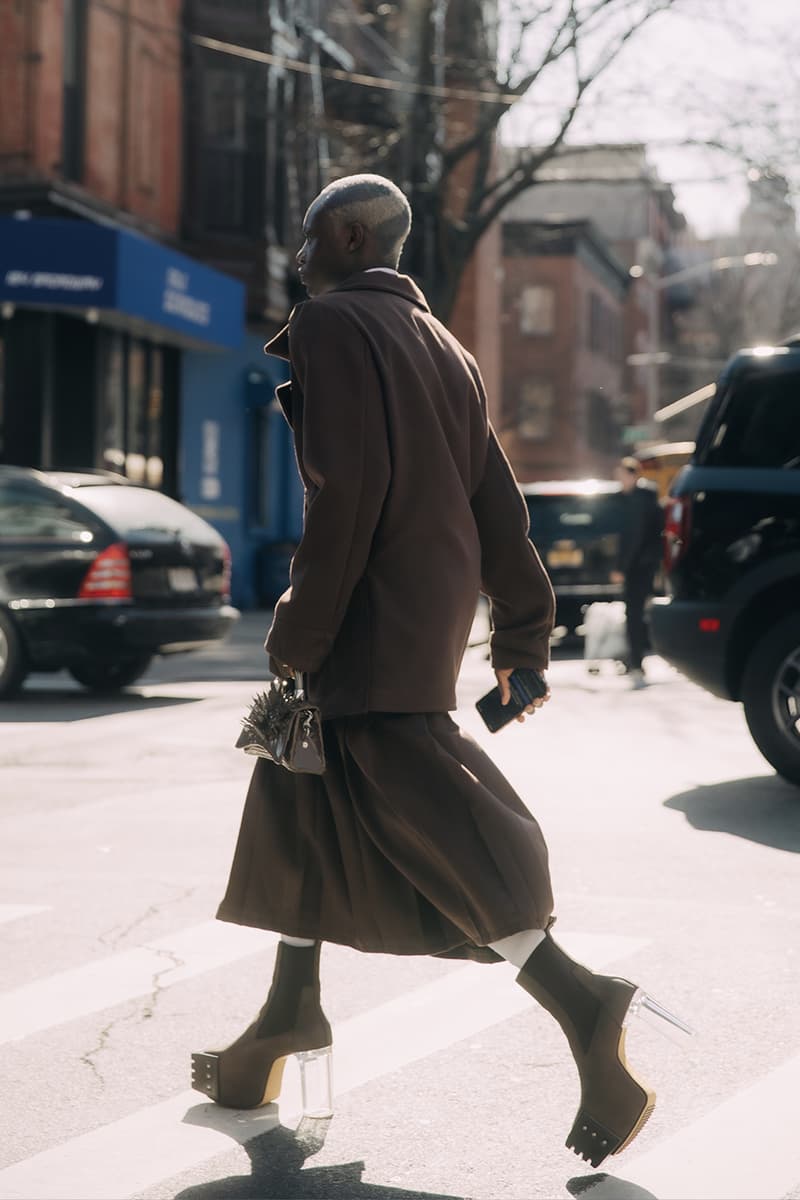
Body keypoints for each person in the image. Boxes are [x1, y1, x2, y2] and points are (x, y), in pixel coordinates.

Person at [192, 175, 683, 1169]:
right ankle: (283, 1017)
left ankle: (581, 1002)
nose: (295, 254)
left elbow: (345, 491)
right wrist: (522, 641)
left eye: (304, 237)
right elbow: (499, 508)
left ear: (344, 235)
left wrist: (297, 633)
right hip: (417, 617)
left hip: (366, 627)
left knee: (437, 823)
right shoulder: (446, 348)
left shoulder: (333, 322)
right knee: (295, 798)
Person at [611, 457, 664, 689]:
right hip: (647, 564)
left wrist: (621, 568)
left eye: (621, 476)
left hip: (637, 567)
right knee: (639, 612)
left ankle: (636, 661)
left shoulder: (636, 501)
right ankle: (637, 658)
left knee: (633, 613)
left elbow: (633, 537)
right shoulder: (647, 497)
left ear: (632, 475)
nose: (619, 481)